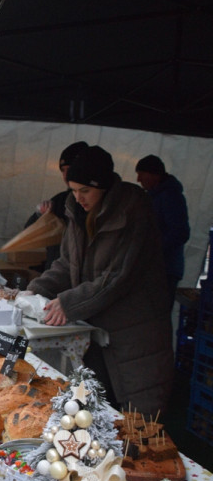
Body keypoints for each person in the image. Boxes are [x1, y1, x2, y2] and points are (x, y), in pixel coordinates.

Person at [27, 145, 174, 416]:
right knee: (94, 410)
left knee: (138, 419)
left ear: (104, 186)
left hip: (135, 330)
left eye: (86, 191)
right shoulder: (77, 213)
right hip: (96, 327)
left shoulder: (134, 212)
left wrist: (68, 304)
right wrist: (35, 290)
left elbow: (117, 278)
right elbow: (66, 263)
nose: (79, 197)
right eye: (73, 190)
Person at [135, 154, 190, 306]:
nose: (138, 179)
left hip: (165, 269)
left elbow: (180, 233)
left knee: (157, 312)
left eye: (141, 174)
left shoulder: (170, 197)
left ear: (154, 175)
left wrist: (152, 248)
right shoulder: (154, 197)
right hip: (153, 267)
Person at [25, 141, 89, 268]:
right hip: (56, 274)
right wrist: (40, 214)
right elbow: (30, 232)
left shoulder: (97, 206)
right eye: (62, 170)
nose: (66, 175)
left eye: (69, 169)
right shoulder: (60, 201)